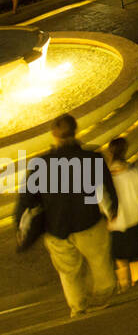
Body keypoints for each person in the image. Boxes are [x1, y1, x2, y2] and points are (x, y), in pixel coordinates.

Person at [14, 115, 119, 317]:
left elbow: (27, 200)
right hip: (89, 224)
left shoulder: (40, 164)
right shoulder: (92, 159)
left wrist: (20, 227)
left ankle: (78, 307)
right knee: (100, 262)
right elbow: (105, 190)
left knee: (68, 272)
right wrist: (112, 211)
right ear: (75, 131)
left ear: (53, 136)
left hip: (56, 229)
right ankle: (102, 297)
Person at [104, 137, 138, 290]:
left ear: (110, 153)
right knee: (135, 254)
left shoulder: (104, 178)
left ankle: (123, 284)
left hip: (114, 223)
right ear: (126, 150)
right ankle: (136, 282)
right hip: (135, 219)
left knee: (119, 257)